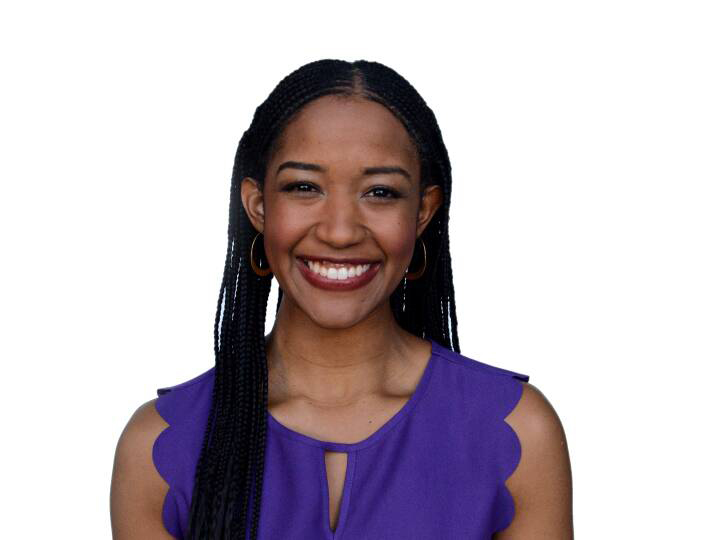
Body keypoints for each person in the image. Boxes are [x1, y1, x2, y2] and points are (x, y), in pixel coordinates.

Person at [110, 59, 572, 539]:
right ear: (258, 205)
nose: (339, 231)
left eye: (380, 192)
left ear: (422, 212)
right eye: (304, 187)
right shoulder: (161, 446)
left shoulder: (517, 431)